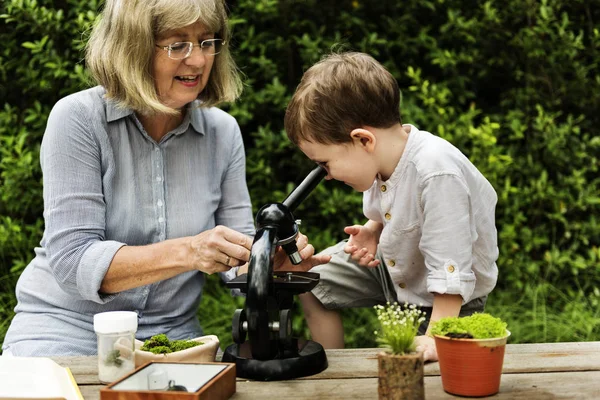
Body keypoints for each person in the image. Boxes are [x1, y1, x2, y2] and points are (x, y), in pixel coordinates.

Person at [2, 0, 329, 357]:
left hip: (173, 340)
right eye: (178, 45)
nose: (199, 60)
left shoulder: (223, 132)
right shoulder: (77, 118)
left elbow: (236, 264)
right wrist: (189, 251)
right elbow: (73, 260)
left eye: (207, 42)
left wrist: (265, 265)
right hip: (67, 330)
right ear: (133, 49)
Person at [284, 52, 499, 361]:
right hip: (396, 267)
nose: (326, 176)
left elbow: (451, 267)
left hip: (448, 302)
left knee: (424, 375)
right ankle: (331, 370)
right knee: (310, 279)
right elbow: (398, 205)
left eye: (325, 163)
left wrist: (435, 335)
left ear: (363, 140)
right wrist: (374, 229)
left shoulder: (437, 173)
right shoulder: (382, 160)